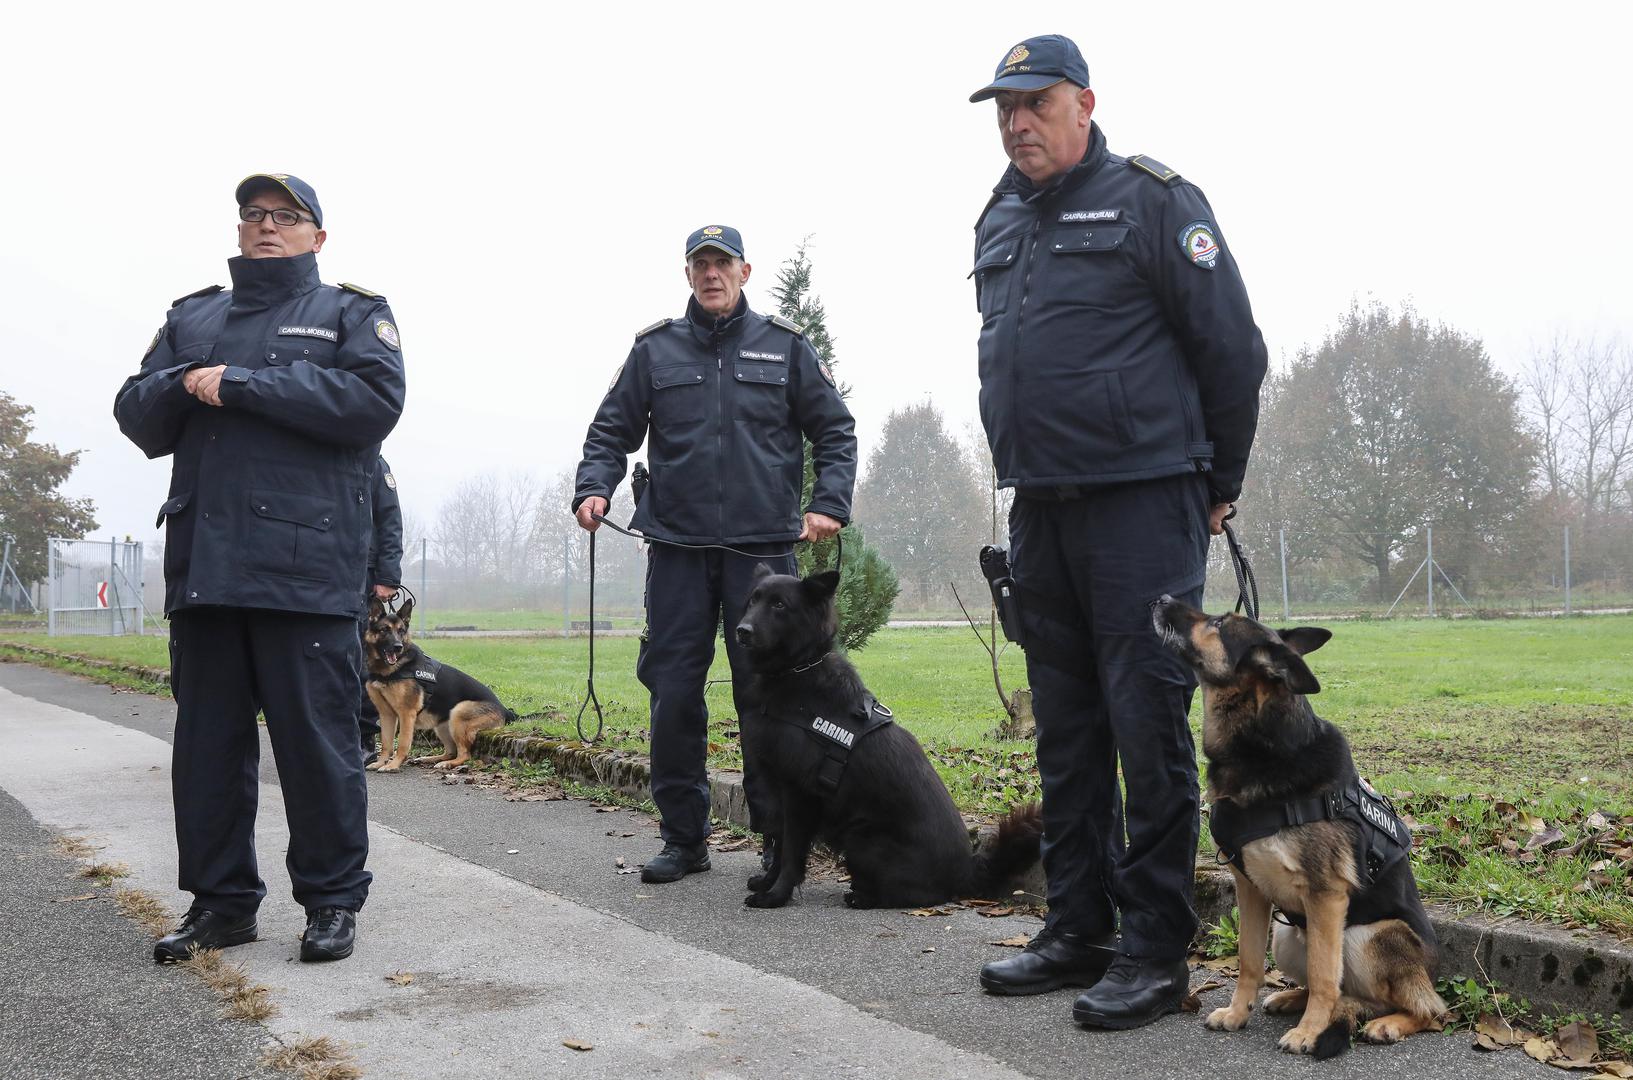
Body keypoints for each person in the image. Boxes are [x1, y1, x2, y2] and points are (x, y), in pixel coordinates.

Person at [966, 36, 1269, 1028]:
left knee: (1146, 728)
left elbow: (1230, 348)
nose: (1016, 121)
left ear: (1084, 105)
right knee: (1067, 731)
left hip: (1143, 502)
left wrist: (1214, 484)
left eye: (1035, 102)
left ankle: (1151, 948)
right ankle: (1077, 927)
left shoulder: (1152, 200)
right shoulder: (1000, 216)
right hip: (1040, 508)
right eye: (1002, 107)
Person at [114, 172, 406, 963]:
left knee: (317, 750)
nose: (266, 227)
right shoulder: (194, 314)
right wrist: (184, 379)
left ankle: (333, 902)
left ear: (318, 235)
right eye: (253, 215)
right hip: (206, 571)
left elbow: (371, 405)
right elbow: (137, 414)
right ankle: (222, 904)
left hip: (305, 573)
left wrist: (240, 383)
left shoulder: (350, 313)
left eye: (285, 216)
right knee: (207, 751)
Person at [572, 224, 857, 884]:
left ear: (744, 271)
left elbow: (833, 429)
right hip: (675, 548)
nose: (710, 274)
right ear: (688, 274)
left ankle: (775, 839)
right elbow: (610, 430)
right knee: (673, 693)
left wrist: (829, 502)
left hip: (762, 558)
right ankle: (682, 837)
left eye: (721, 263)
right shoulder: (655, 350)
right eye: (699, 264)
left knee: (767, 699)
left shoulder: (784, 347)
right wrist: (593, 488)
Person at [359, 455, 404, 766]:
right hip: (325, 572)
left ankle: (364, 737)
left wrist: (387, 575)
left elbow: (389, 520)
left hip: (364, 574)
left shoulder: (374, 461)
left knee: (366, 659)